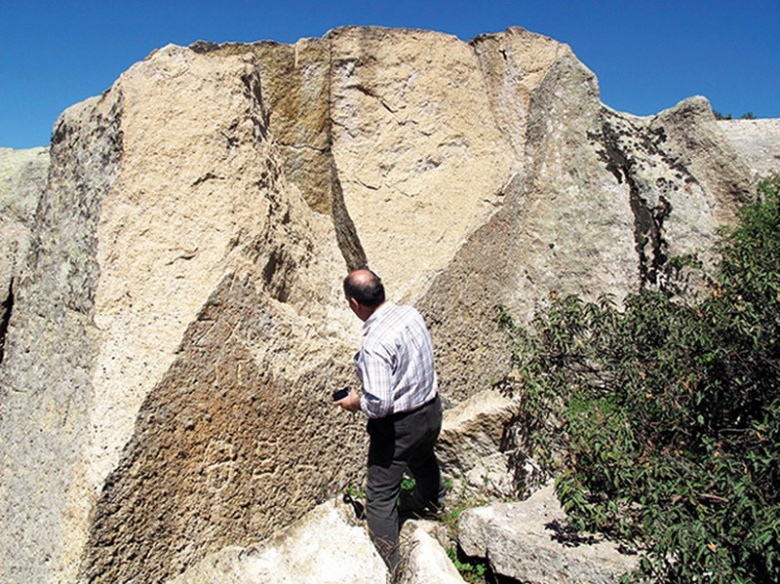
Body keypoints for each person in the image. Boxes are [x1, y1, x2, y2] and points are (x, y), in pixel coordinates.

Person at [334, 268, 445, 572]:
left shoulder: (375, 344)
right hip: (431, 411)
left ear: (355, 304)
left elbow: (380, 404)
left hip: (399, 427)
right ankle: (434, 506)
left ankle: (390, 566)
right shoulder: (410, 314)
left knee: (380, 497)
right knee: (423, 458)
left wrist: (355, 402)